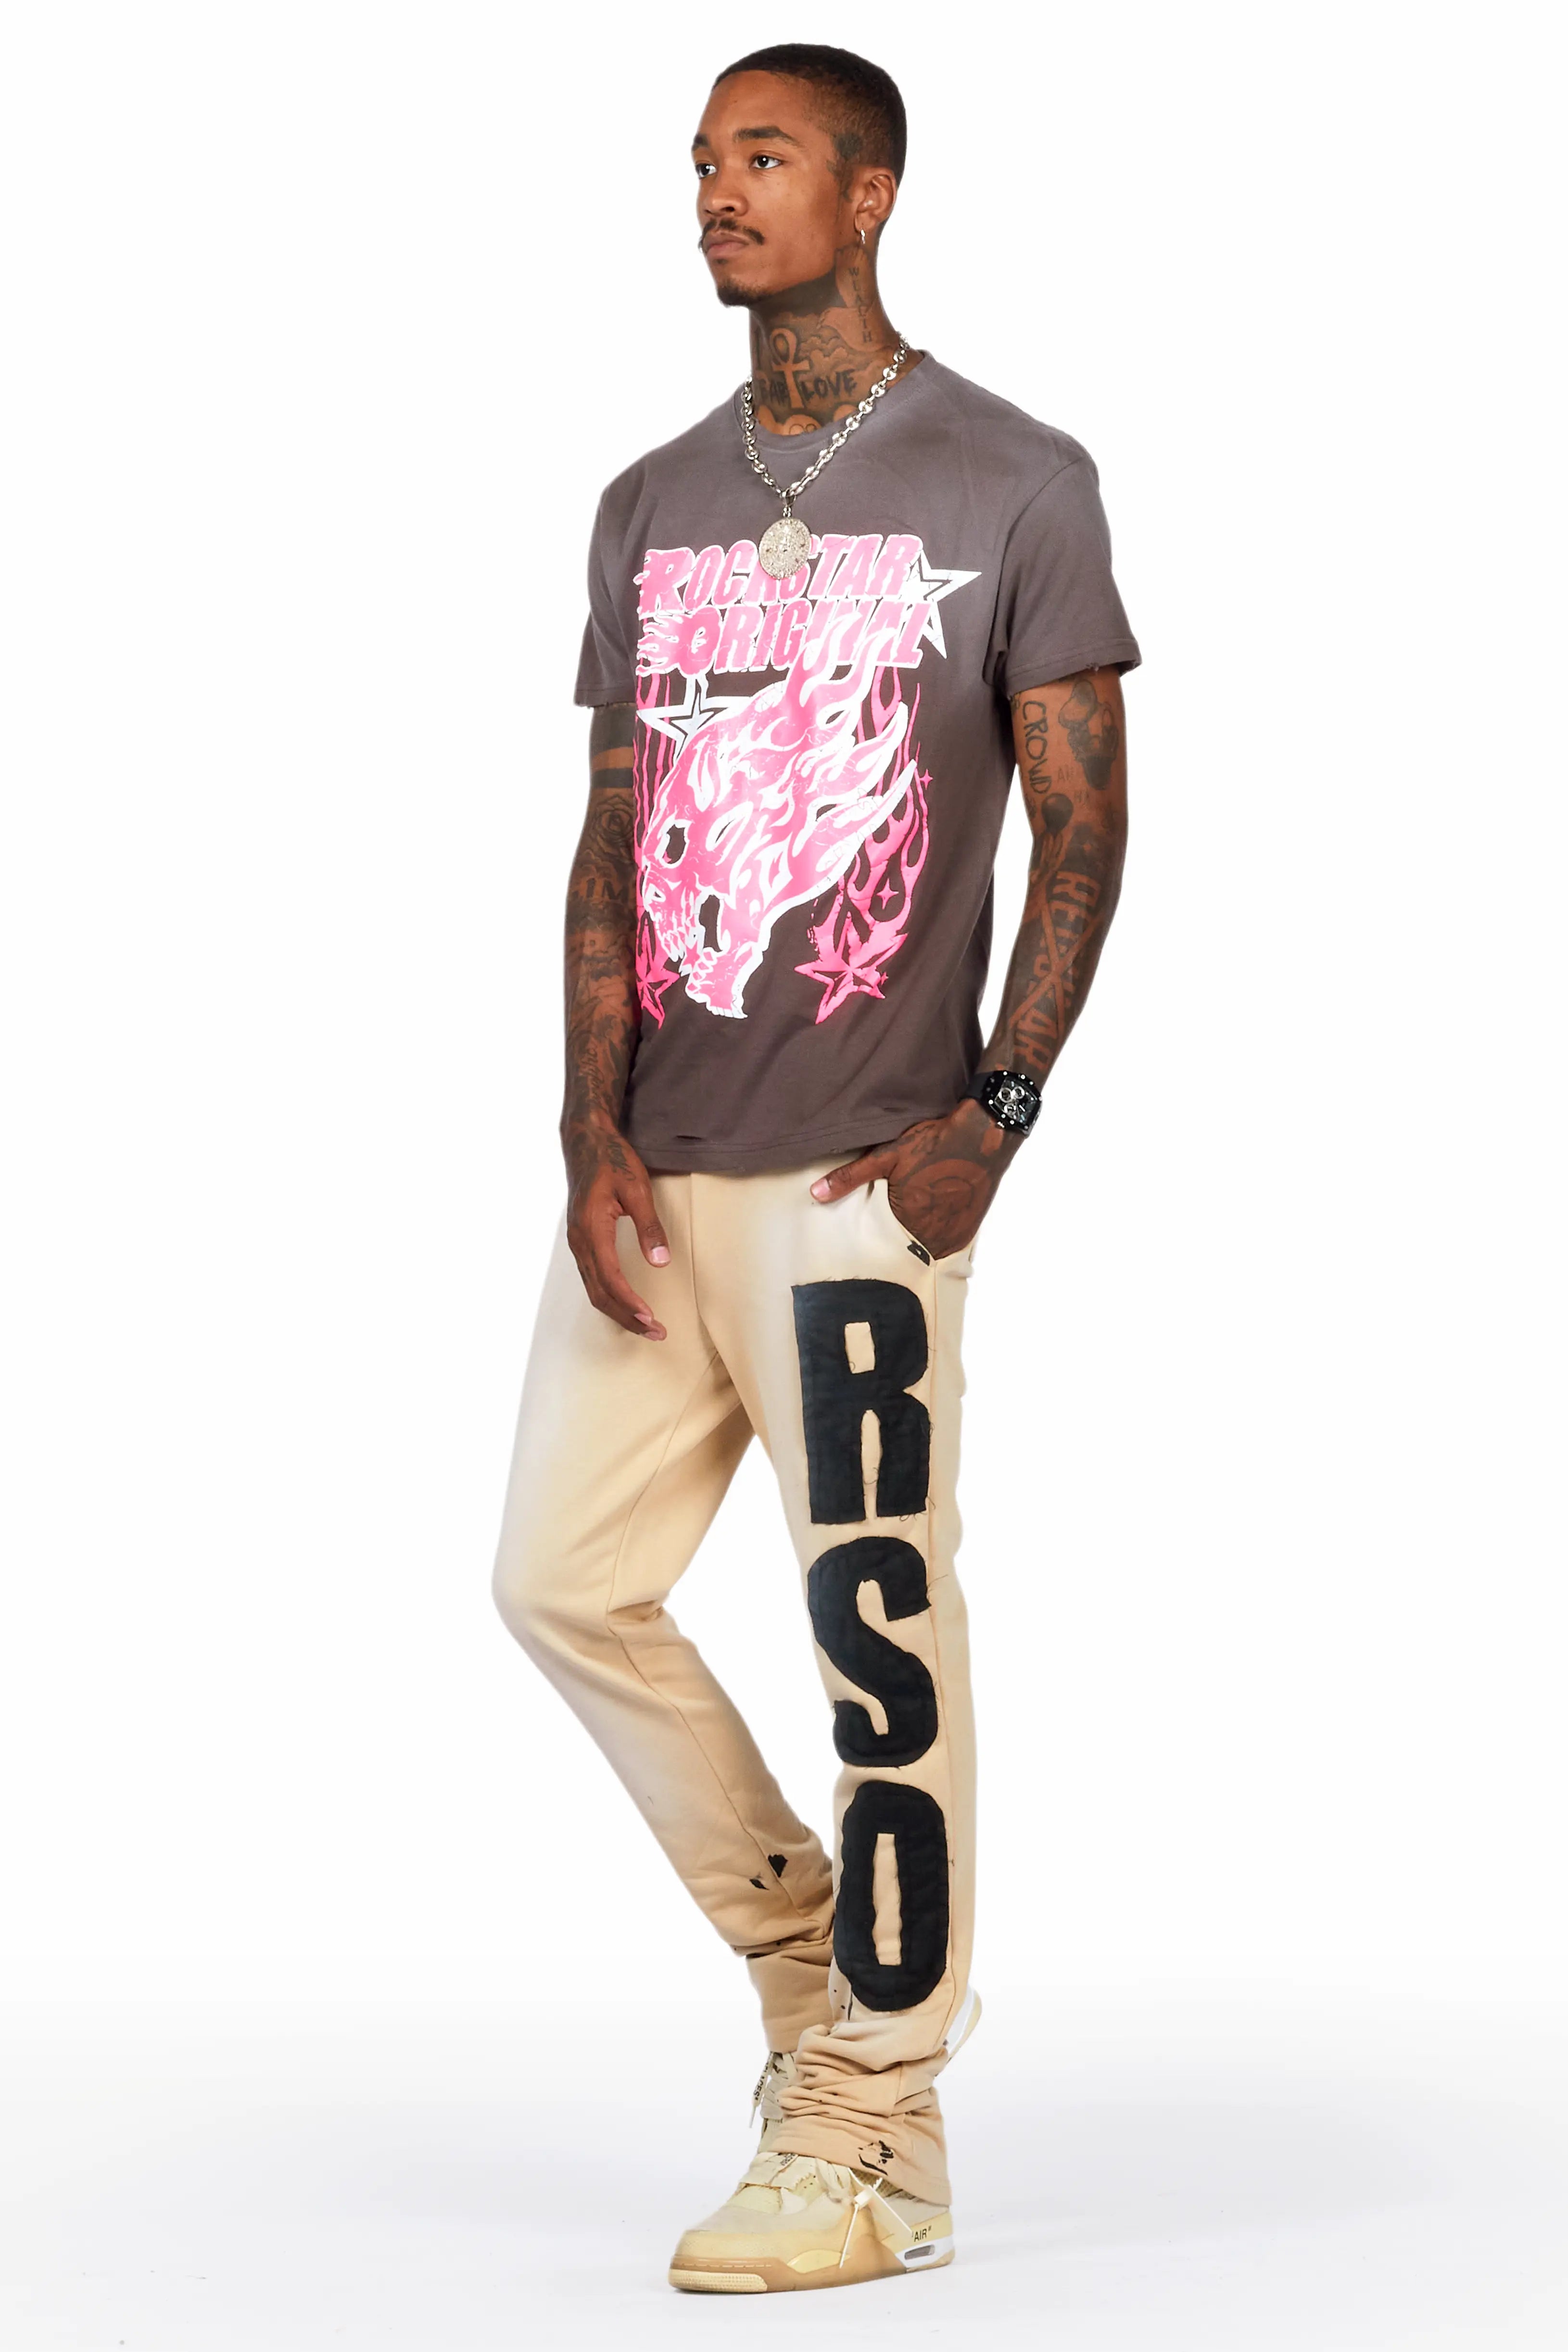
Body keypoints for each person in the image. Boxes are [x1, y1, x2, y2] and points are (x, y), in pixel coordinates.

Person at [491, 41, 1139, 2295]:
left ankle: (871, 2128)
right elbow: (609, 834)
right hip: (657, 1174)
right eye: (698, 160)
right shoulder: (651, 501)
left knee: (880, 1638)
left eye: (760, 157)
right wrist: (586, 1123)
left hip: (868, 1171)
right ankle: (813, 1964)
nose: (715, 192)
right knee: (557, 1580)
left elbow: (1081, 824)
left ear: (868, 194)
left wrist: (995, 1117)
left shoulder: (1013, 478)